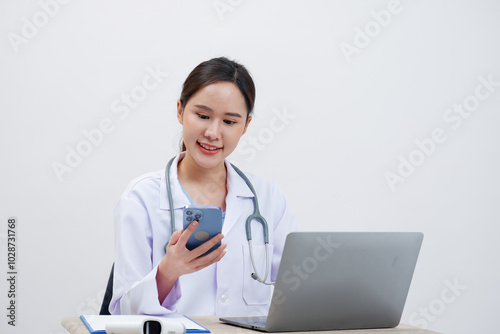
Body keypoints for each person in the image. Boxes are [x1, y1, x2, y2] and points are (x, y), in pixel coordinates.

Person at [109, 57, 299, 316]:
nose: (213, 132)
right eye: (202, 115)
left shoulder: (268, 198)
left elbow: (295, 290)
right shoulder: (141, 198)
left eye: (229, 122)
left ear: (246, 126)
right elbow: (123, 314)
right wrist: (169, 270)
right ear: (180, 111)